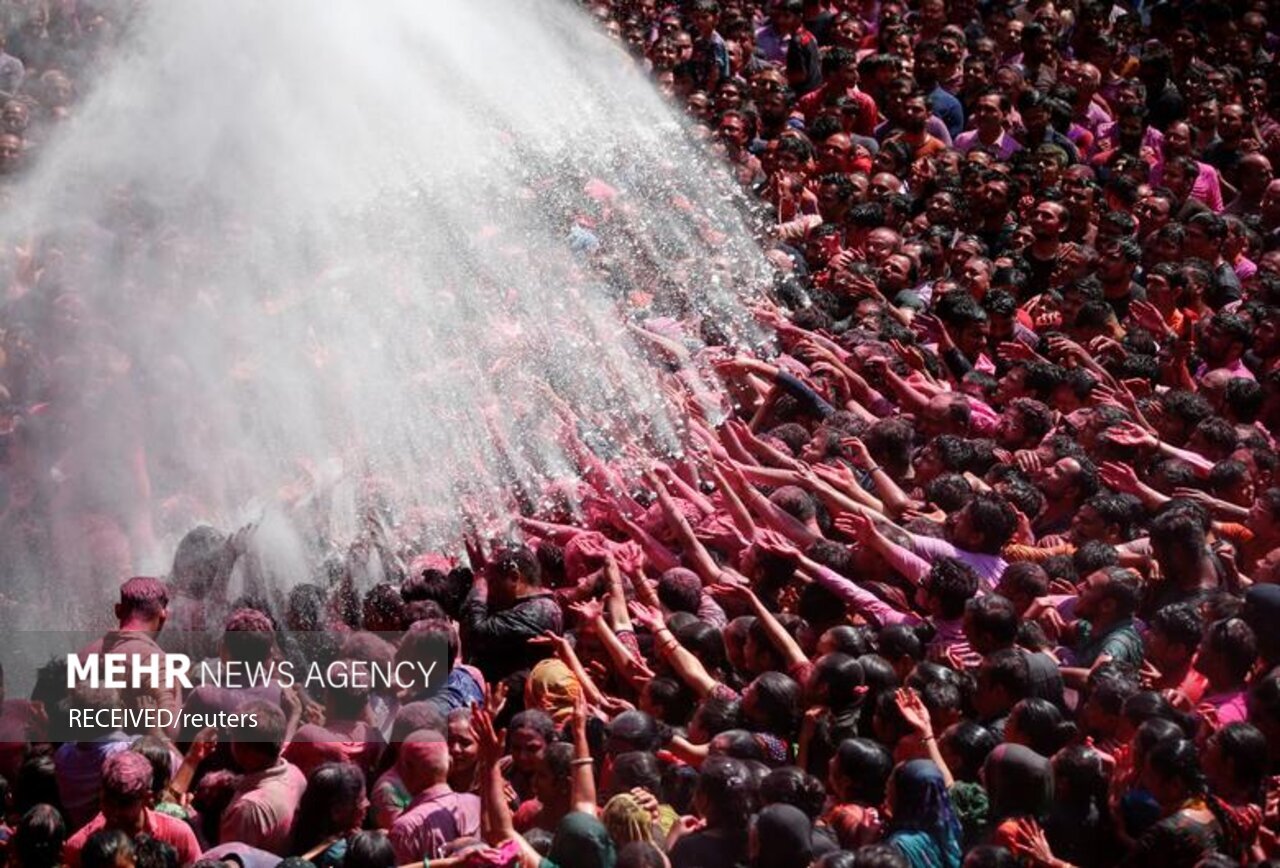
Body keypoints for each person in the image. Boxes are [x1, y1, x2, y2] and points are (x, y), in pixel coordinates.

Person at [62, 752, 200, 868]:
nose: (115, 812)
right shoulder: (79, 846)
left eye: (124, 803)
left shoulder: (178, 835)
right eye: (108, 801)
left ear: (147, 798)